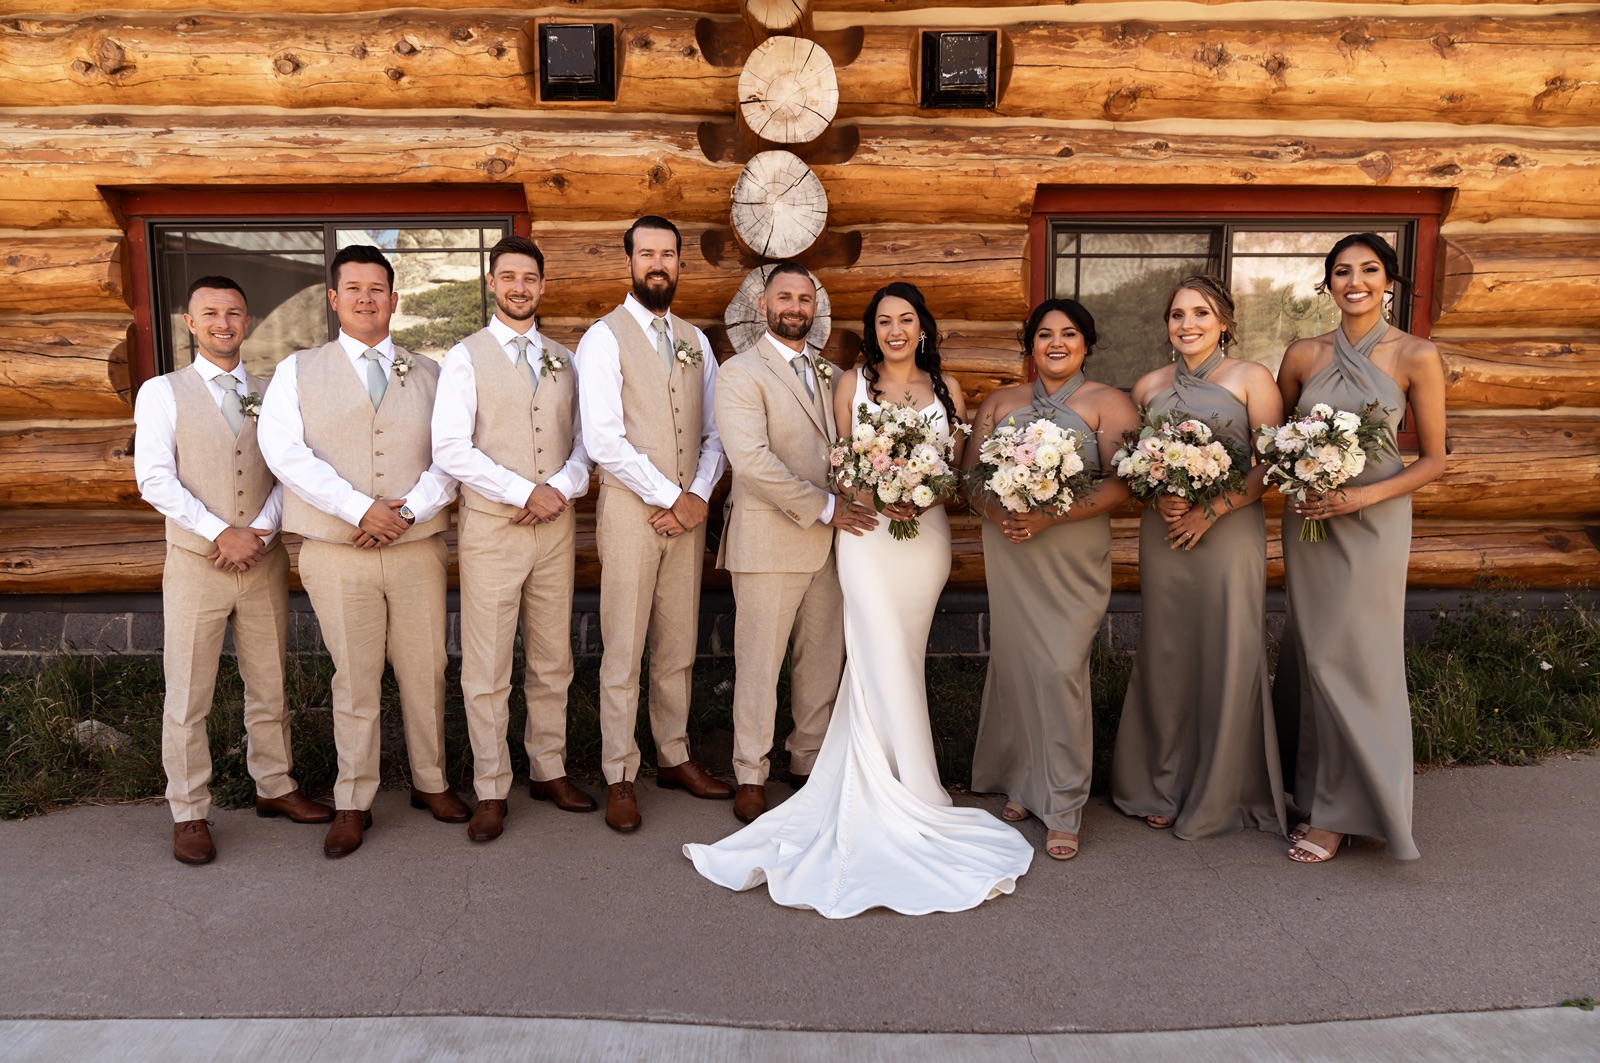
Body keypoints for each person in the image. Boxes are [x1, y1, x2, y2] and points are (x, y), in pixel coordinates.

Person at [684, 282, 1033, 918]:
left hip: (923, 538)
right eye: (883, 321)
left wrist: (923, 489)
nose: (895, 330)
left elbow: (954, 471)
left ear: (922, 327)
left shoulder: (948, 392)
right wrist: (876, 491)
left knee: (902, 654)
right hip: (866, 534)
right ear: (871, 331)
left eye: (905, 320)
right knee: (874, 654)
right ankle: (842, 784)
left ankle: (904, 780)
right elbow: (842, 465)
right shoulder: (851, 383)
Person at [260, 244, 464, 858]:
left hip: (415, 546)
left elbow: (451, 456)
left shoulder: (432, 372)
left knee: (426, 669)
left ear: (395, 300)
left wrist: (405, 511)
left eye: (377, 288)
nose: (366, 298)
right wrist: (359, 509)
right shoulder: (297, 370)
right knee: (355, 675)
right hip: (336, 548)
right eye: (354, 289)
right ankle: (354, 797)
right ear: (334, 298)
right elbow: (284, 452)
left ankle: (432, 782)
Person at [134, 276, 333, 865]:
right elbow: (154, 478)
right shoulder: (162, 392)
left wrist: (259, 532)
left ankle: (275, 786)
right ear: (190, 323)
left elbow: (287, 470)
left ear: (248, 323)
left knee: (269, 680)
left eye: (235, 313)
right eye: (211, 313)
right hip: (198, 562)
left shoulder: (273, 391)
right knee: (189, 692)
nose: (224, 323)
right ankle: (189, 809)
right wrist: (221, 532)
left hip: (262, 559)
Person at [1273, 233, 1446, 864]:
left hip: (1374, 522)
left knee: (1358, 656)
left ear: (1389, 281)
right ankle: (1311, 787)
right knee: (1314, 651)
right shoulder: (1302, 354)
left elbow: (1433, 461)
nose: (1356, 282)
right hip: (1311, 520)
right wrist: (1297, 474)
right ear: (1327, 283)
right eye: (1342, 271)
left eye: (1369, 270)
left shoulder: (1416, 355)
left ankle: (1343, 812)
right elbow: (1275, 436)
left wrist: (1361, 498)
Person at [1110, 276, 1288, 840]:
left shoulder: (1252, 378)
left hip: (1228, 531)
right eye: (1178, 315)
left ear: (1225, 322)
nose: (1188, 324)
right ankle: (1161, 782)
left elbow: (1272, 462)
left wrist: (1211, 511)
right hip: (1163, 534)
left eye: (1201, 314)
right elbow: (1133, 464)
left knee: (1226, 647)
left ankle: (1221, 787)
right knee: (1166, 652)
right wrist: (1156, 493)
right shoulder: (1147, 387)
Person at [432, 236, 595, 843]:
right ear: (491, 284)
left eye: (529, 277)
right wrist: (523, 492)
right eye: (508, 277)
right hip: (493, 532)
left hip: (554, 529)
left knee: (553, 657)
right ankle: (492, 784)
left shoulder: (563, 357)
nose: (519, 287)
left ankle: (548, 767)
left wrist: (558, 488)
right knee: (489, 664)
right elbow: (451, 448)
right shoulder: (464, 358)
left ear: (542, 286)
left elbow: (584, 442)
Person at [966, 299, 1140, 862]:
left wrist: (1051, 512)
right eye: (1044, 335)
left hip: (1071, 552)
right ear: (1030, 345)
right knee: (1017, 663)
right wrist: (997, 511)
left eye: (1069, 334)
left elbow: (1125, 484)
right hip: (1011, 547)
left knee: (1061, 668)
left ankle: (1064, 803)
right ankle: (1022, 783)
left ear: (1087, 343)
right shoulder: (1000, 402)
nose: (1056, 343)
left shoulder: (1108, 403)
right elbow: (970, 479)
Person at [575, 216, 731, 833]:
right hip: (631, 512)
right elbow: (603, 439)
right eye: (647, 254)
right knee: (625, 642)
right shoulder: (603, 338)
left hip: (686, 512)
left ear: (679, 265)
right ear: (630, 263)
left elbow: (715, 433)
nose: (657, 263)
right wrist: (672, 495)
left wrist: (695, 496)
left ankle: (673, 754)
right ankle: (618, 770)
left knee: (677, 640)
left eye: (668, 253)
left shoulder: (696, 339)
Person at [713, 263, 877, 824]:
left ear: (815, 308)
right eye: (785, 296)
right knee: (759, 664)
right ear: (763, 305)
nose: (795, 307)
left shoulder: (834, 376)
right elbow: (753, 463)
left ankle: (807, 762)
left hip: (834, 547)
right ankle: (750, 771)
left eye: (805, 299)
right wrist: (829, 508)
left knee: (821, 660)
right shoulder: (739, 373)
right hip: (769, 540)